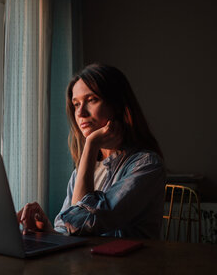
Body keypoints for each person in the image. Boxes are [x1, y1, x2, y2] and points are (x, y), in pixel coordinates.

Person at [17, 63, 166, 239]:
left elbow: (81, 224)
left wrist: (90, 145)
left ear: (117, 105)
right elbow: (70, 231)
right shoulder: (83, 171)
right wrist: (47, 231)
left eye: (91, 100)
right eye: (76, 104)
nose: (80, 113)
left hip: (126, 265)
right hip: (88, 264)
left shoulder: (146, 165)